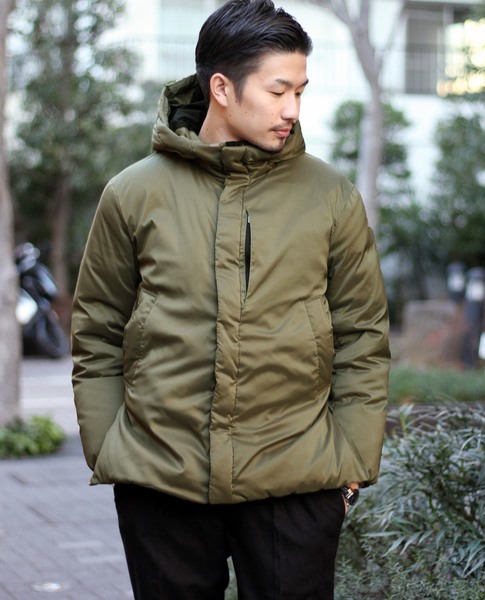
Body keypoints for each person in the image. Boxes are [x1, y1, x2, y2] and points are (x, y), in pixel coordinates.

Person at [71, 1, 390, 598]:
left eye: (300, 91)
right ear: (221, 88)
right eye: (277, 91)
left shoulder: (331, 197)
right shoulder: (132, 194)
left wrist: (349, 465)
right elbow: (97, 330)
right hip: (161, 479)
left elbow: (363, 336)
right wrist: (110, 446)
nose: (292, 110)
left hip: (297, 480)